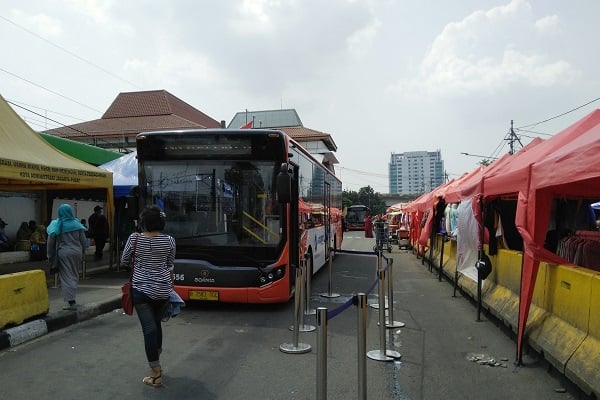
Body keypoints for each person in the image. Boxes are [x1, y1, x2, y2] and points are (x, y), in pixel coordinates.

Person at [120, 205, 175, 388]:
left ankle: (156, 373)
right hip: (163, 291)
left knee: (149, 329)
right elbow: (169, 265)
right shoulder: (170, 240)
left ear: (143, 222)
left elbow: (124, 261)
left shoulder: (134, 238)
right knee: (156, 325)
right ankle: (156, 356)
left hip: (141, 291)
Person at [46, 204, 88, 310]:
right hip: (77, 253)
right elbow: (84, 241)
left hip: (64, 253)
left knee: (66, 276)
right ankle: (72, 298)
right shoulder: (77, 223)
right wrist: (83, 252)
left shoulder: (56, 224)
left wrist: (50, 256)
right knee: (73, 274)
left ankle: (71, 301)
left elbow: (50, 242)